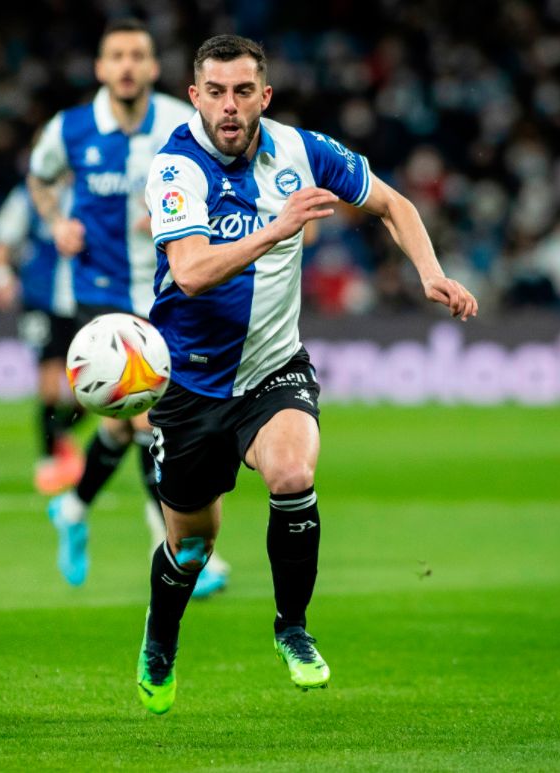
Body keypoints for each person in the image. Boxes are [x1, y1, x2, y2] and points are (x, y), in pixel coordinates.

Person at [134, 35, 478, 714]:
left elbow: (393, 205)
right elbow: (191, 272)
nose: (228, 106)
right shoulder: (174, 167)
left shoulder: (302, 149)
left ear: (263, 95)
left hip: (272, 368)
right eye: (215, 91)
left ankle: (291, 626)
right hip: (190, 386)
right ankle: (160, 634)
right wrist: (277, 227)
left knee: (292, 475)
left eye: (242, 91)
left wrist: (430, 272)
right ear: (195, 94)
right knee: (191, 547)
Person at [28, 17, 230, 594]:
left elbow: (219, 182)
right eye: (115, 55)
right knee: (151, 416)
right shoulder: (70, 129)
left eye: (137, 55)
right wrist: (55, 221)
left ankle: (72, 508)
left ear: (152, 67)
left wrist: (182, 215)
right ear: (101, 67)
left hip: (170, 289)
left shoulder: (181, 123)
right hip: (101, 293)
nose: (126, 65)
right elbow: (40, 179)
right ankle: (178, 546)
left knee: (125, 426)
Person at [0, 182, 84, 495]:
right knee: (50, 386)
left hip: (88, 300)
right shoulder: (26, 196)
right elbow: (0, 242)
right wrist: (1, 278)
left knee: (94, 393)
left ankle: (60, 436)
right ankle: (46, 463)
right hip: (41, 300)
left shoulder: (93, 187)